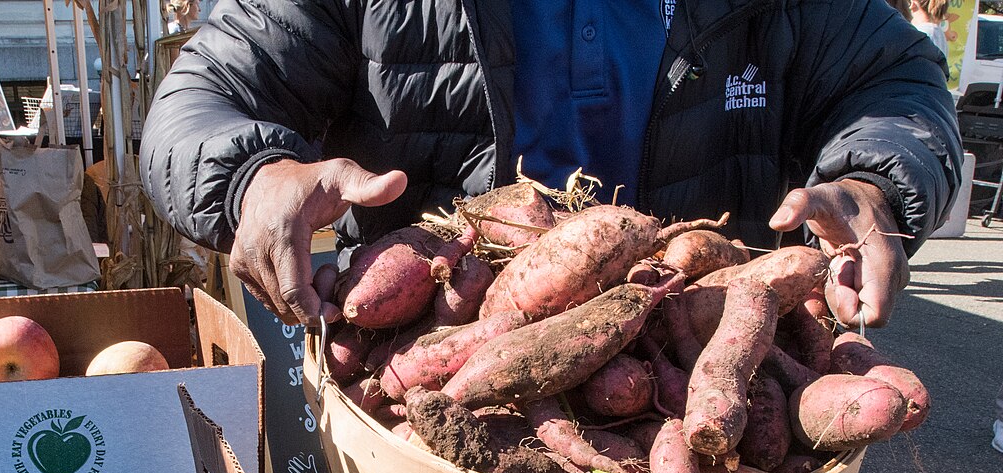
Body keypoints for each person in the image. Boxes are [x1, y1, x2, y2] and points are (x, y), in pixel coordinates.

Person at [141, 1, 962, 330]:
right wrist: (254, 177)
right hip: (431, 388)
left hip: (681, 376)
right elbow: (204, 93)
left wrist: (874, 180)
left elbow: (892, 81)